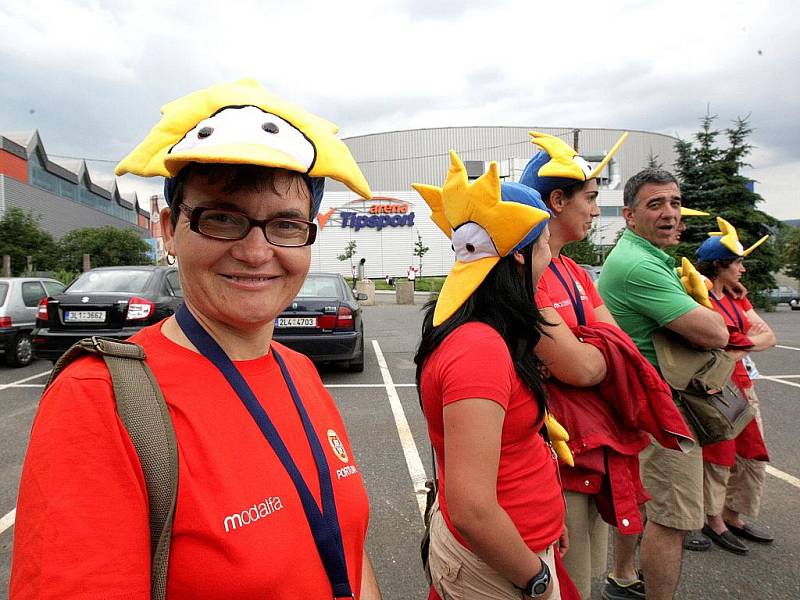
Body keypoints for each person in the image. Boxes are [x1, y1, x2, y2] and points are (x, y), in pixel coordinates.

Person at [10, 79, 382, 599]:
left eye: (286, 224)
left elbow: (344, 545)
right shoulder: (99, 399)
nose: (256, 252)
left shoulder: (299, 371)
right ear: (169, 228)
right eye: (223, 218)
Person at [521, 133, 692, 600]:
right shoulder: (524, 274)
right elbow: (582, 368)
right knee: (564, 579)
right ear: (557, 200)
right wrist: (592, 349)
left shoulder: (576, 273)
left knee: (589, 577)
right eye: (591, 198)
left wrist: (588, 349)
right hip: (555, 459)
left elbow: (618, 349)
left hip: (595, 446)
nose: (597, 211)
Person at [413, 152, 567, 600]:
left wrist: (548, 527)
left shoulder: (487, 334)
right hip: (499, 567)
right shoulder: (478, 349)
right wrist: (533, 576)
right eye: (545, 247)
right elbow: (472, 509)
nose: (550, 260)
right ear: (520, 257)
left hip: (515, 546)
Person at [597, 168, 730, 600]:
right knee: (671, 521)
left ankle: (621, 575)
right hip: (665, 412)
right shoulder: (640, 266)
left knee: (639, 498)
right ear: (630, 216)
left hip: (643, 405)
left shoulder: (641, 256)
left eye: (674, 202)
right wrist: (705, 307)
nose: (670, 213)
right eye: (656, 205)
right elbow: (716, 334)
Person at [695, 218, 775, 553]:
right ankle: (713, 520)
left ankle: (733, 515)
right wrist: (737, 341)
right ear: (719, 265)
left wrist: (735, 343)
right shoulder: (698, 296)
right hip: (717, 386)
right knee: (719, 456)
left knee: (753, 455)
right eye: (738, 262)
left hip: (743, 383)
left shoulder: (736, 298)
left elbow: (768, 336)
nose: (742, 269)